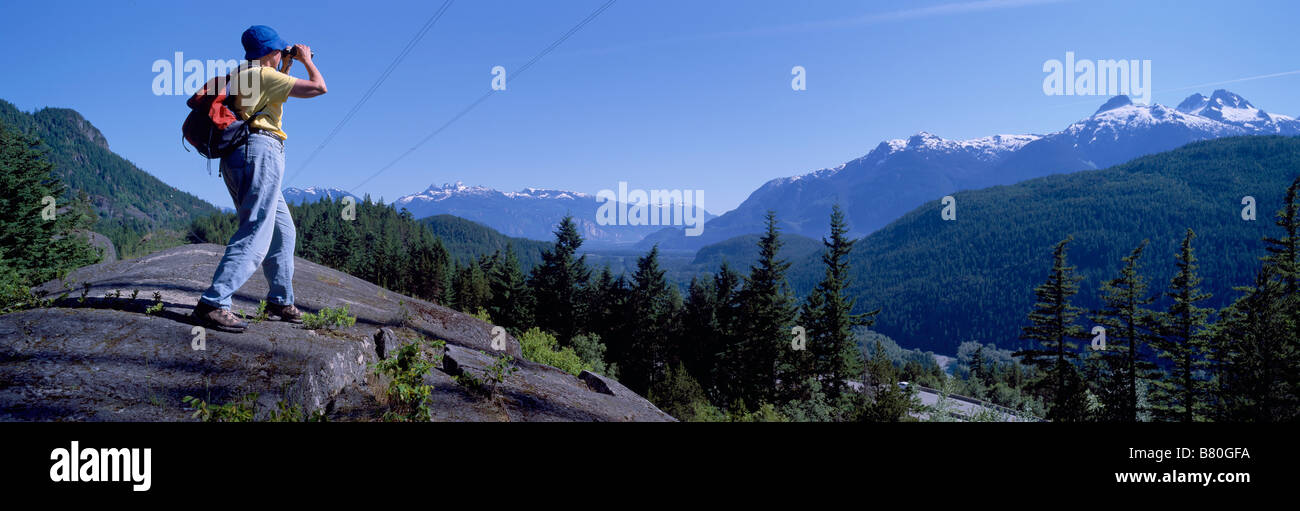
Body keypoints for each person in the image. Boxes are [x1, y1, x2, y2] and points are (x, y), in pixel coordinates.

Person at [192, 25, 327, 332]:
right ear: (271, 52)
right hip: (260, 151)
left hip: (239, 155)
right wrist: (306, 59)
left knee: (283, 230)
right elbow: (319, 87)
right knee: (257, 230)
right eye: (280, 51)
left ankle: (280, 300)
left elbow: (269, 96)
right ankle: (213, 303)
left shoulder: (243, 73)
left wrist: (285, 63)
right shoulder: (264, 76)